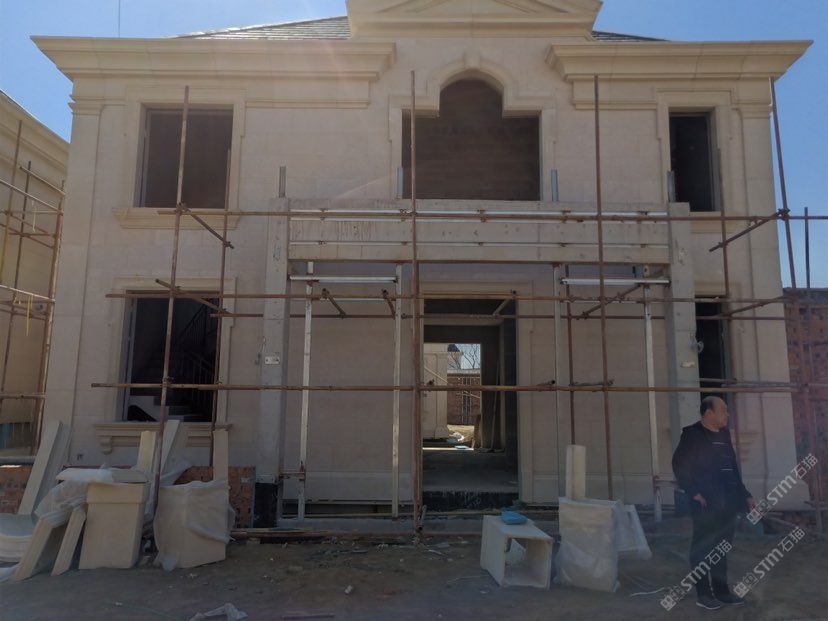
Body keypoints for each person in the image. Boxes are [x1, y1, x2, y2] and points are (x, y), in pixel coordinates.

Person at [672, 396, 757, 610]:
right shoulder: (693, 434)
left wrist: (745, 494)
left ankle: (722, 591)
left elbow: (732, 468)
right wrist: (693, 491)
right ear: (709, 413)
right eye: (723, 410)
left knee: (722, 547)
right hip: (705, 503)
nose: (727, 414)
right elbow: (679, 463)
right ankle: (704, 594)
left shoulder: (724, 434)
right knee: (702, 547)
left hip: (728, 502)